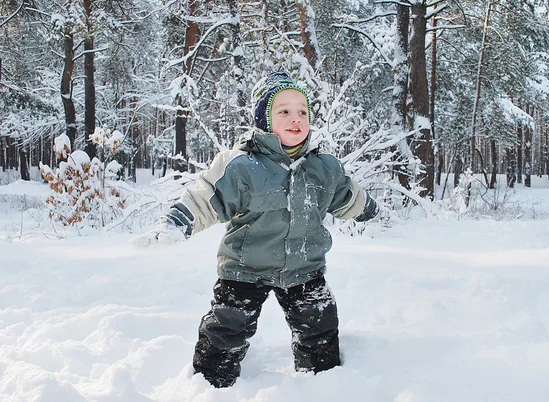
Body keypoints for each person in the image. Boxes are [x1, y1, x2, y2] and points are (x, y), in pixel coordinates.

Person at [133, 71, 379, 388]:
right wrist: (176, 223)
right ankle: (209, 385)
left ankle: (323, 386)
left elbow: (346, 195)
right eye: (284, 111)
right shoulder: (242, 166)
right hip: (245, 268)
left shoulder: (324, 168)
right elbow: (207, 199)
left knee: (320, 325)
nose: (296, 119)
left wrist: (369, 209)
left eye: (302, 111)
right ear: (264, 119)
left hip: (305, 268)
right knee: (226, 328)